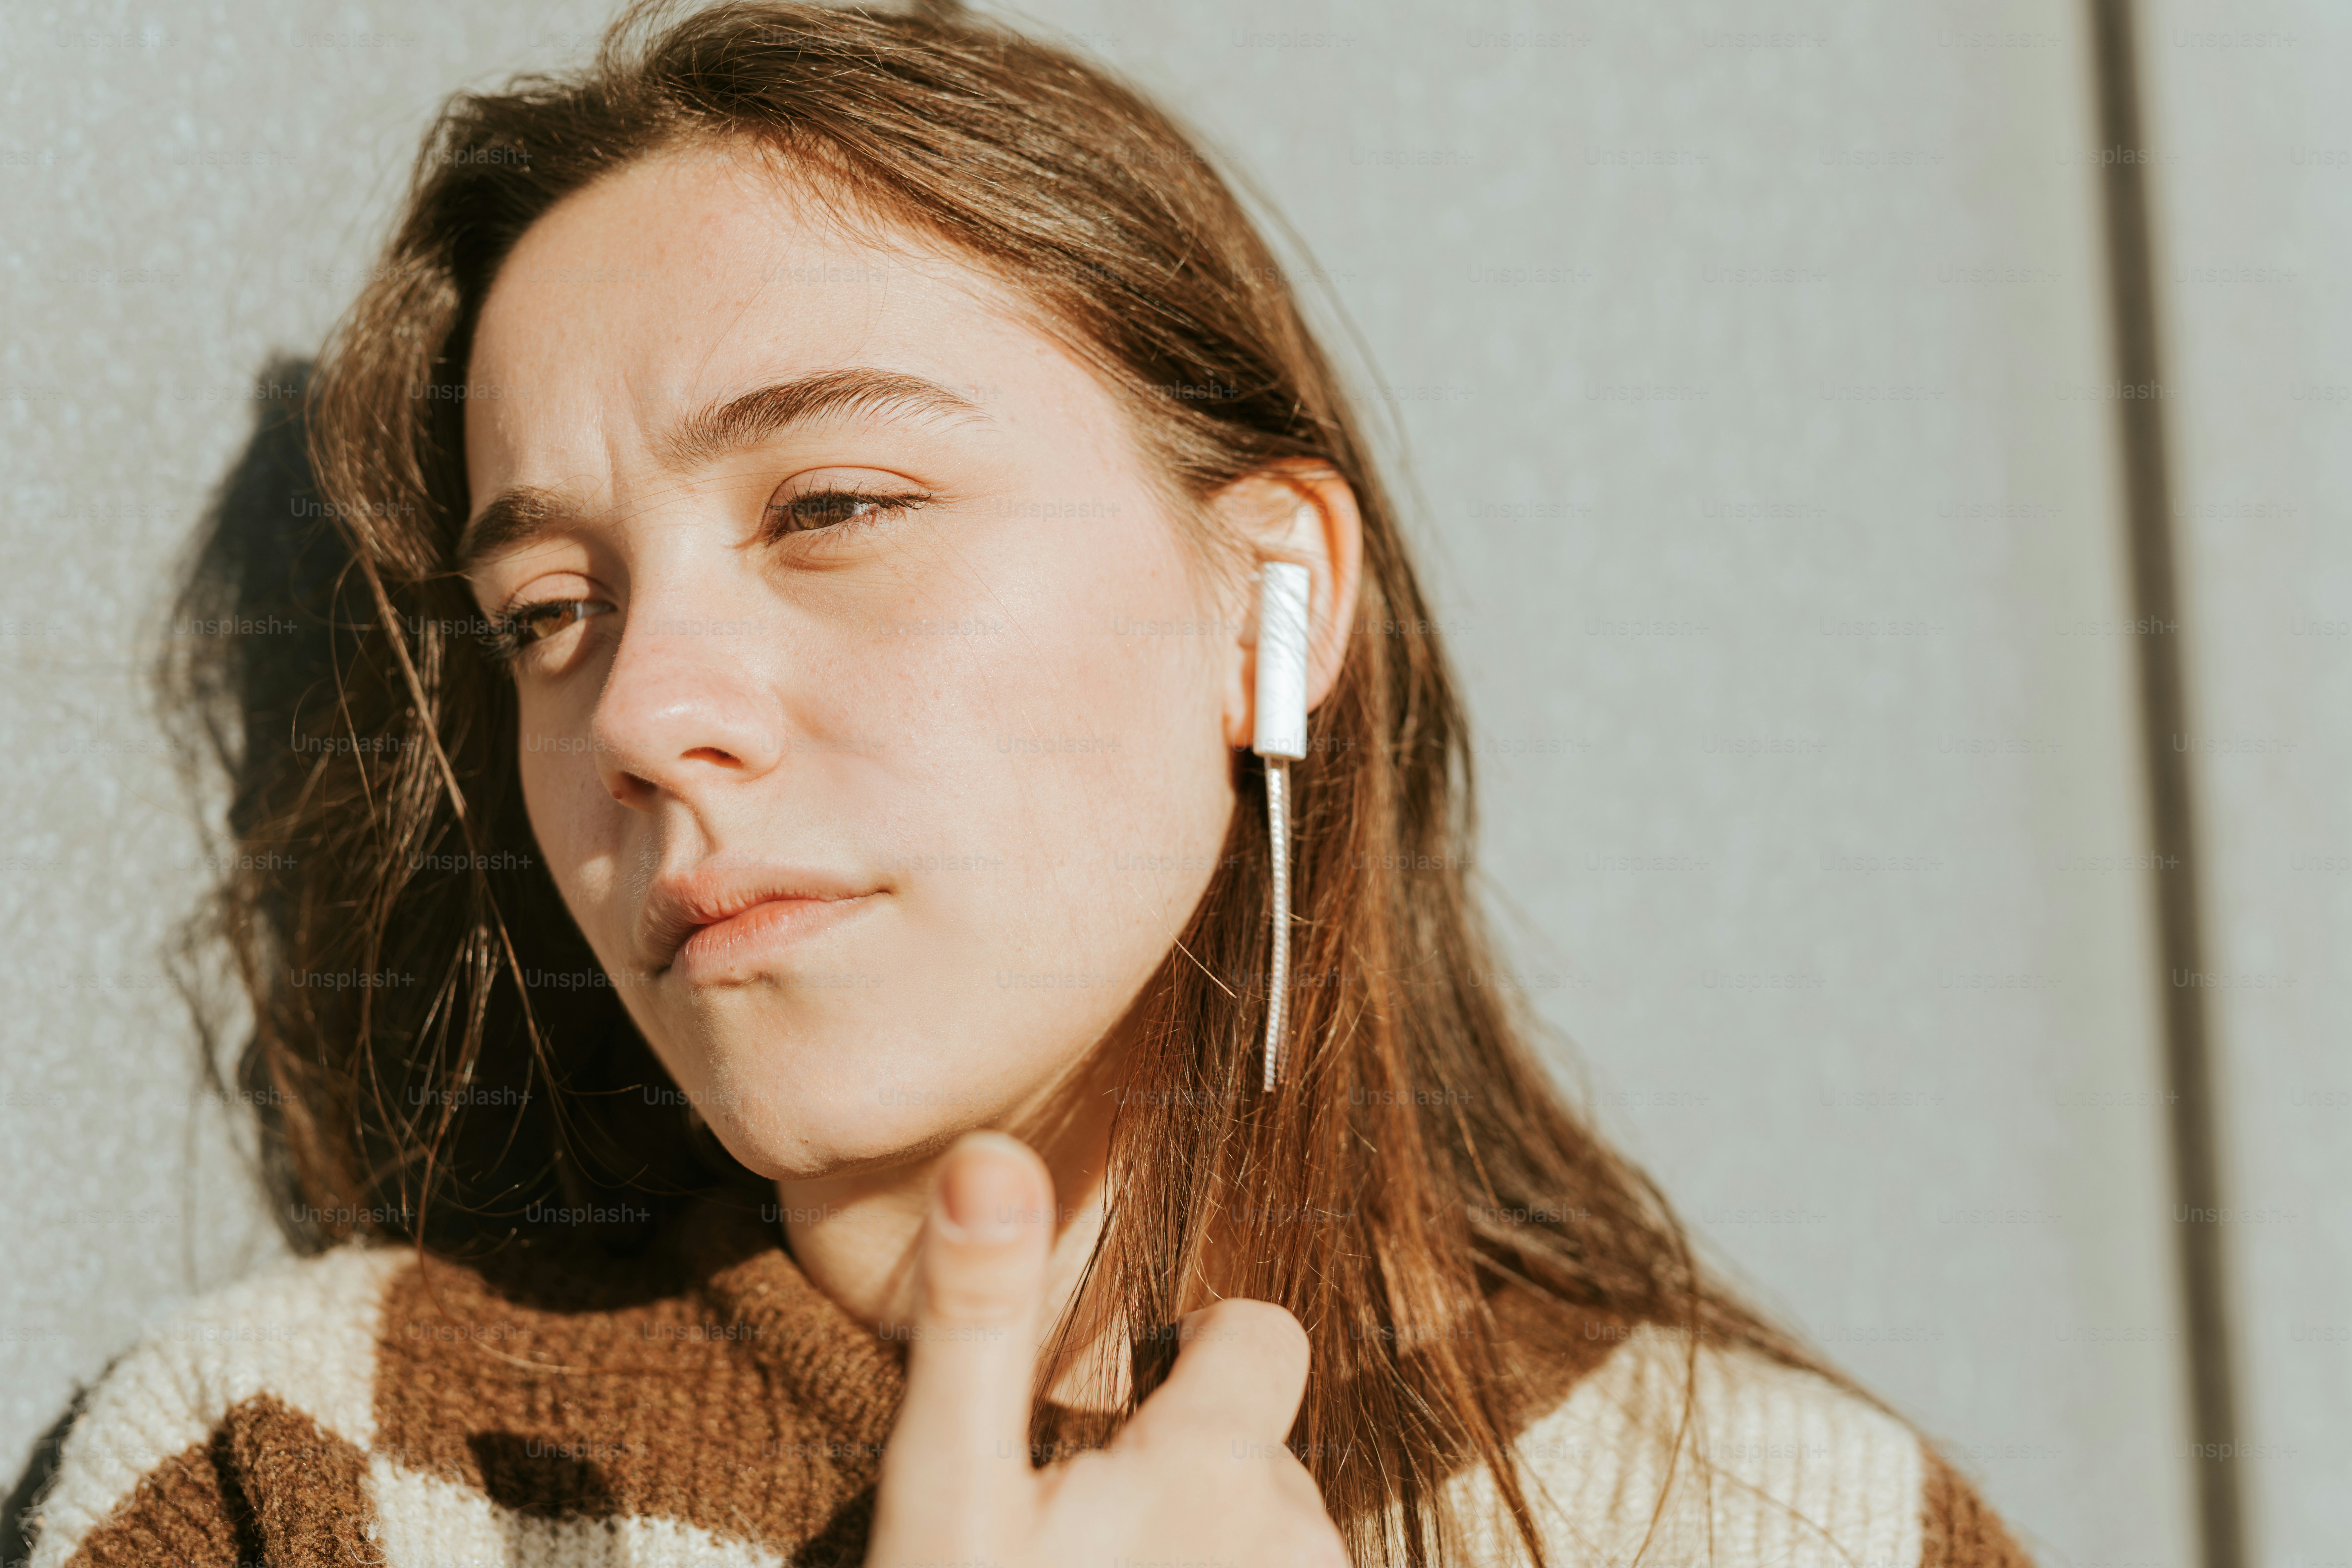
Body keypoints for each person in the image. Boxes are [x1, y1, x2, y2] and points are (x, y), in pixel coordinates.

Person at [19, 3, 2034, 1565]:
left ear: (1269, 599)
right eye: (549, 612)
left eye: (833, 505)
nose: (641, 710)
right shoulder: (304, 1479)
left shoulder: (1795, 1522)